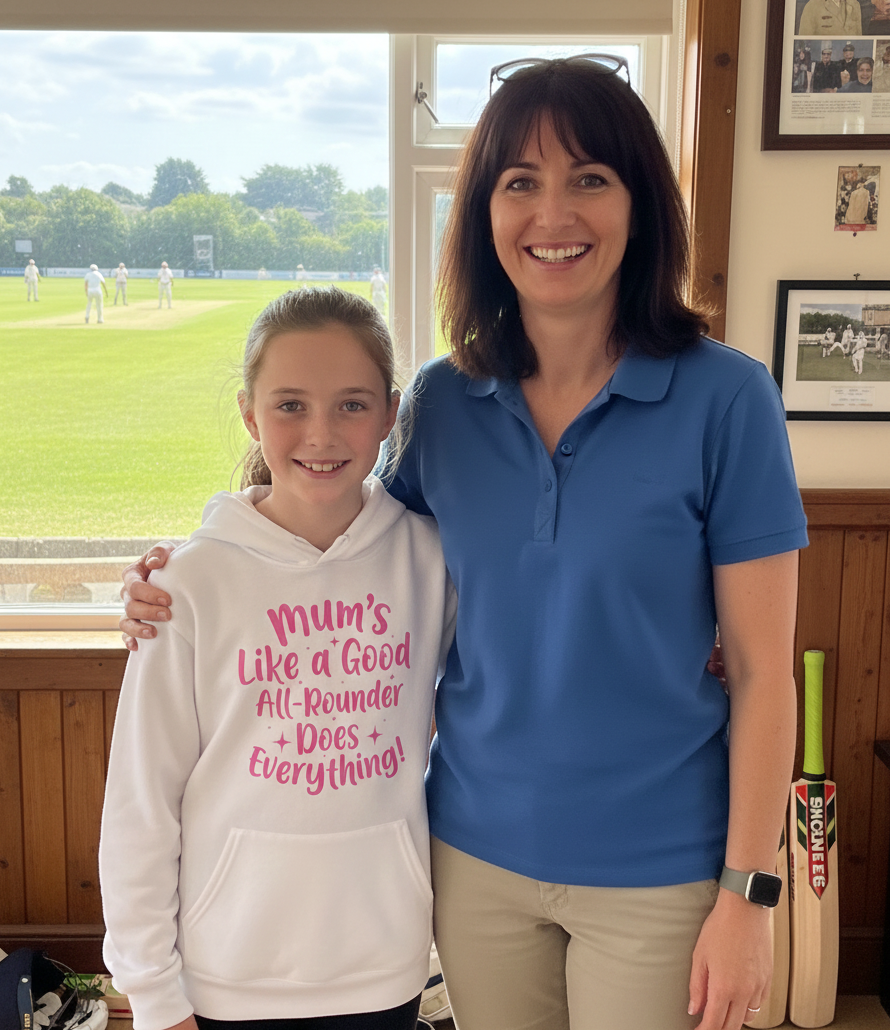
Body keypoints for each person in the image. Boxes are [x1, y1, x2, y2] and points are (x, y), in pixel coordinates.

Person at [120, 56, 807, 1030]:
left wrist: (750, 894)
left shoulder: (726, 398)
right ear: (483, 212)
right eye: (519, 181)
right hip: (473, 862)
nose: (552, 213)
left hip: (659, 870)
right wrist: (185, 569)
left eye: (589, 178)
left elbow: (764, 673)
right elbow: (337, 537)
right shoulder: (443, 401)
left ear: (640, 203)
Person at [100, 286, 457, 1030]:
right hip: (226, 977)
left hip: (383, 966)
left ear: (390, 414)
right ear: (249, 413)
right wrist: (152, 990)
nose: (320, 434)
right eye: (290, 405)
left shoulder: (431, 560)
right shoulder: (186, 585)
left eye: (352, 404)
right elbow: (141, 803)